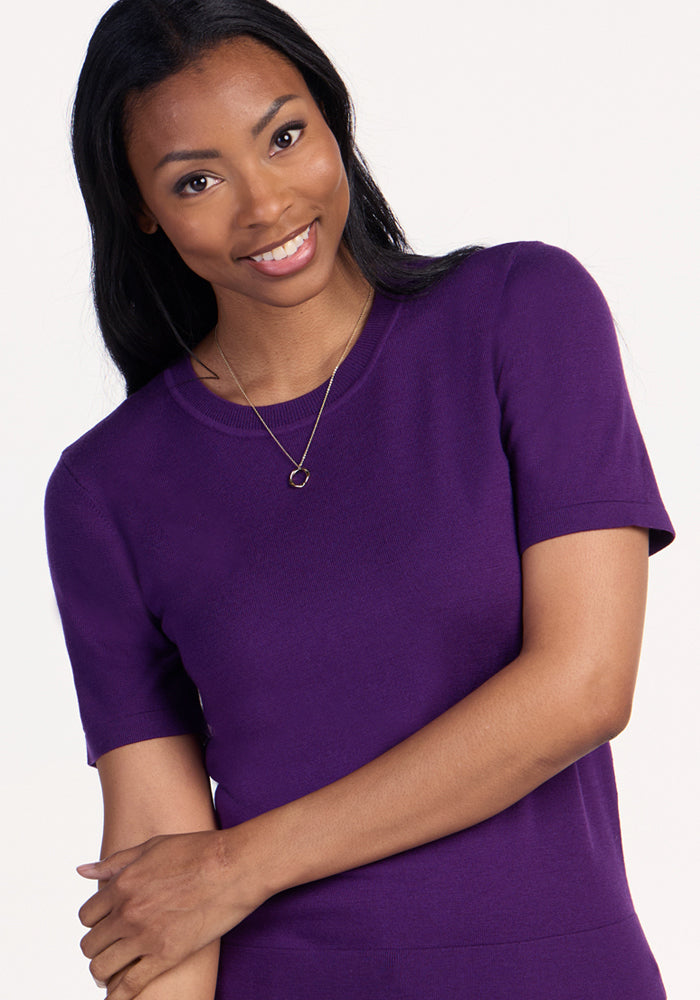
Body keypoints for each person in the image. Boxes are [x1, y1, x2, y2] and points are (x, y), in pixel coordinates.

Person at [43, 1, 675, 998]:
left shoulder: (519, 315)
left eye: (284, 136)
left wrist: (240, 866)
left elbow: (583, 687)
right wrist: (193, 891)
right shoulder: (107, 488)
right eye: (197, 179)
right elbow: (159, 874)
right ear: (142, 209)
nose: (263, 205)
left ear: (333, 121)